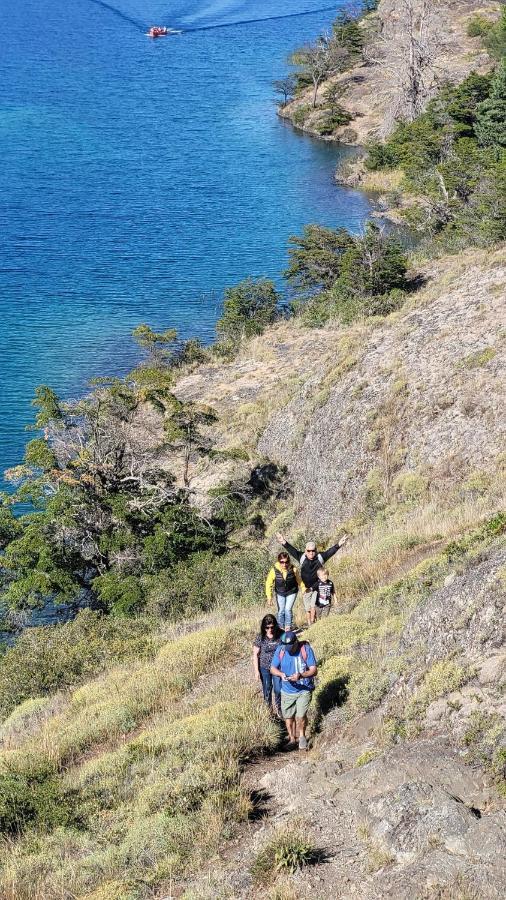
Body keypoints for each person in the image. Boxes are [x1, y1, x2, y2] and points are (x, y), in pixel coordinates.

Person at [276, 532, 348, 626]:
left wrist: (339, 544)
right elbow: (292, 550)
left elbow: (330, 552)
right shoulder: (301, 557)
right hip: (306, 588)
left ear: (316, 550)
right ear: (306, 551)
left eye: (313, 550)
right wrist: (283, 541)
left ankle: (314, 624)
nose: (311, 553)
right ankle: (310, 623)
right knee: (307, 608)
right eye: (309, 551)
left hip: (317, 588)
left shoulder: (320, 557)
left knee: (314, 606)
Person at [270, 631, 317, 750]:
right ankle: (292, 739)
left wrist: (301, 675)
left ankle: (302, 736)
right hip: (287, 690)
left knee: (301, 715)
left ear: (296, 642)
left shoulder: (305, 649)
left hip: (304, 689)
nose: (289, 650)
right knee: (288, 717)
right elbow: (272, 668)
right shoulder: (281, 650)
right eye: (287, 647)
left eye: (291, 647)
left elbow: (313, 670)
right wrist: (281, 674)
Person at [253, 614, 283, 716]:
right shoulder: (260, 637)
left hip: (277, 667)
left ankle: (279, 708)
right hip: (264, 668)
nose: (270, 629)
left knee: (278, 689)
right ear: (263, 627)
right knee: (267, 689)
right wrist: (256, 671)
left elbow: (289, 645)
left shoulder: (280, 634)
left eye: (272, 627)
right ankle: (269, 711)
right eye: (267, 627)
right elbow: (255, 655)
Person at [265, 552, 302, 631]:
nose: (284, 564)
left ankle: (288, 627)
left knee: (287, 609)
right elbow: (268, 583)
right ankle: (280, 627)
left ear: (289, 561)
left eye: (286, 562)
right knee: (281, 610)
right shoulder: (274, 570)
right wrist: (269, 597)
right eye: (282, 562)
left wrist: (304, 589)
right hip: (280, 592)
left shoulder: (294, 569)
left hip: (292, 591)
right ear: (279, 561)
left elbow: (299, 580)